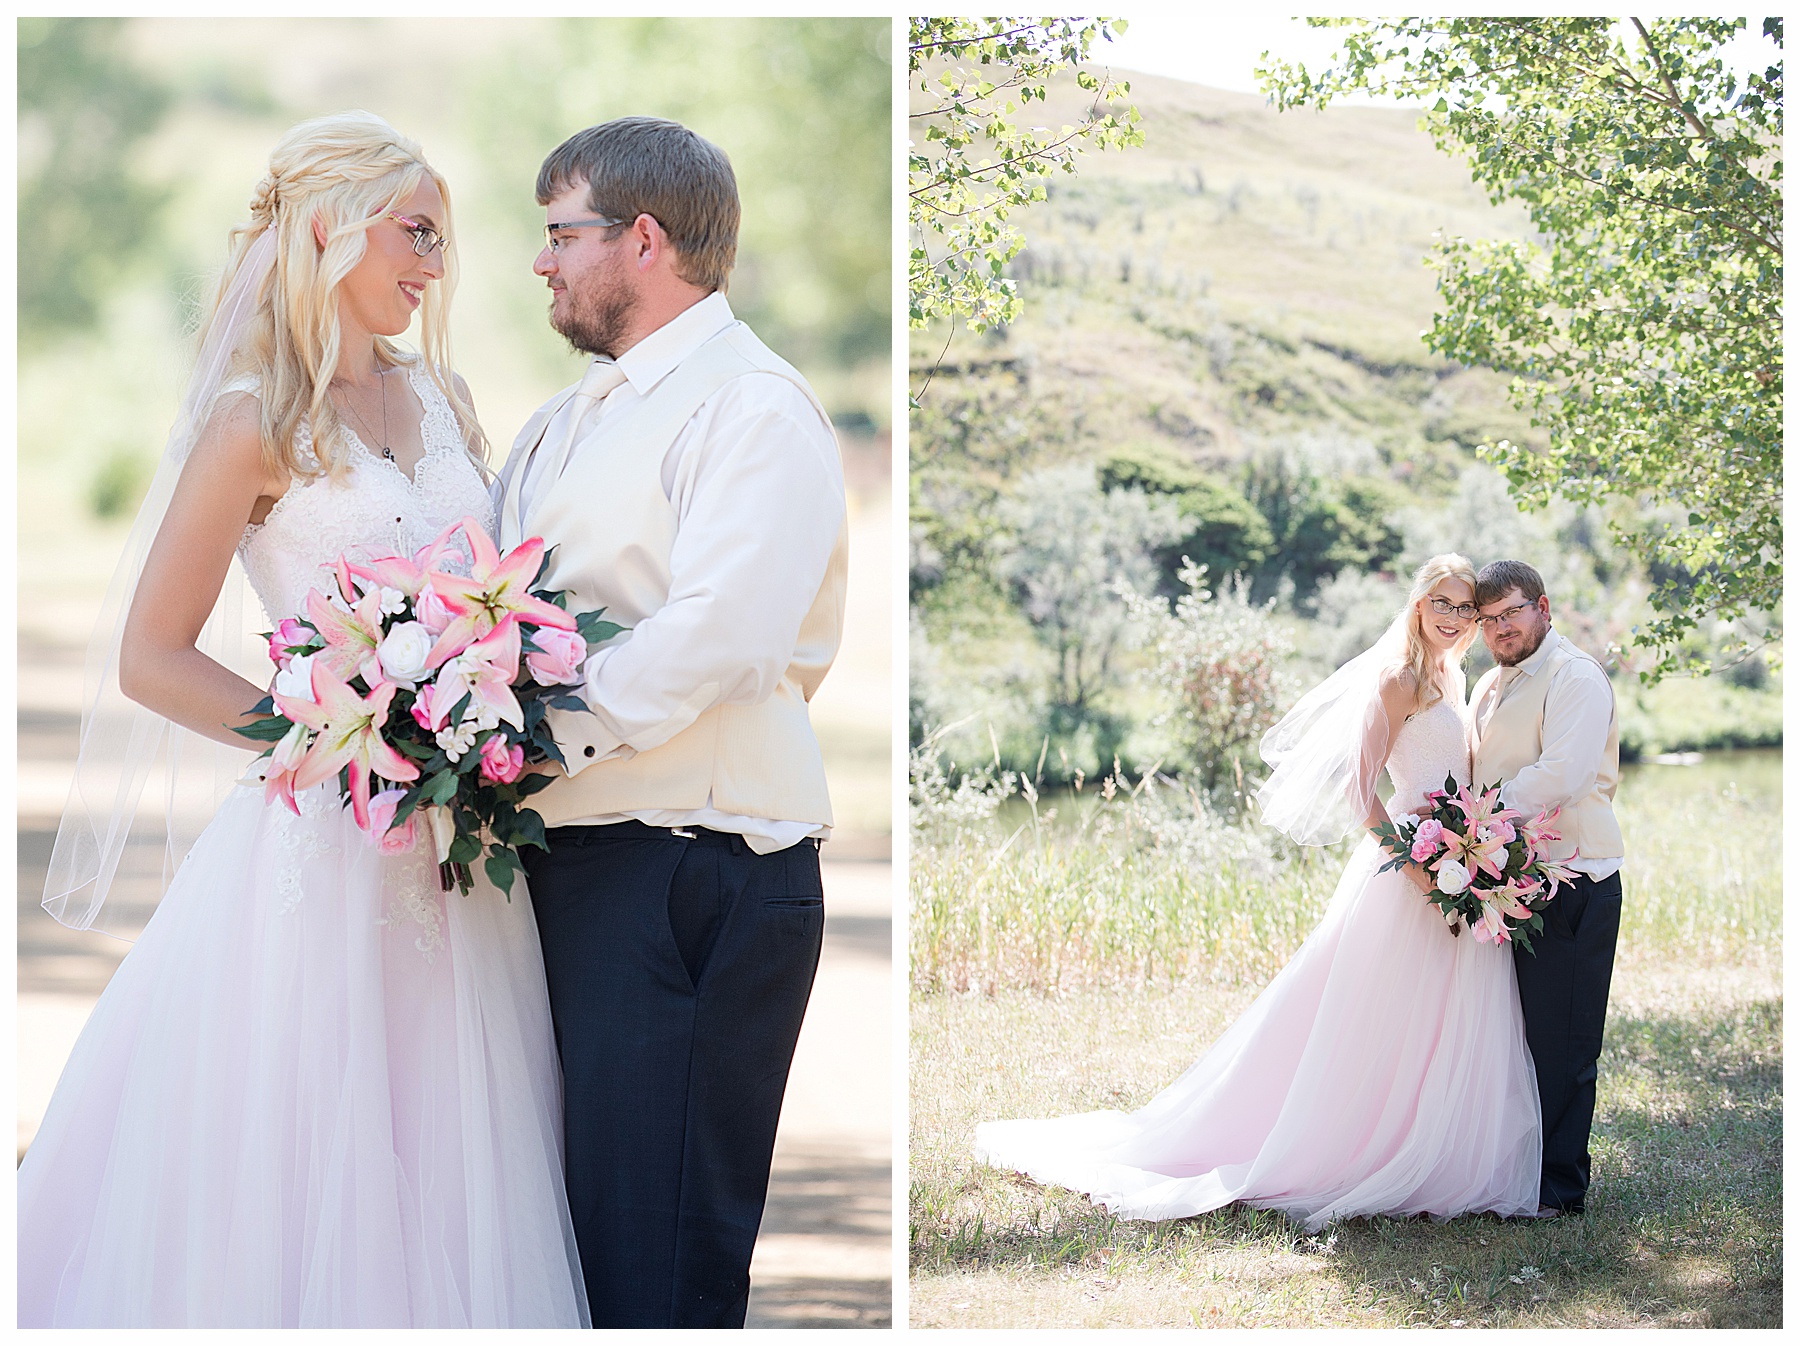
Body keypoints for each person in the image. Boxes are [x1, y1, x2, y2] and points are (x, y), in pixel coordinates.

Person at [21, 112, 587, 1328]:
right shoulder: (253, 419)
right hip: (313, 854)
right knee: (295, 1154)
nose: (437, 264)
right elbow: (151, 655)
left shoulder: (444, 397)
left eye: (444, 238)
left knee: (454, 1143)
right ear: (330, 228)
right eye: (416, 231)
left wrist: (475, 702)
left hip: (451, 857)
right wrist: (334, 739)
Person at [493, 116, 848, 1328]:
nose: (541, 261)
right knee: (570, 1240)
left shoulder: (754, 407)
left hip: (689, 872)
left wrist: (531, 739)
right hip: (568, 864)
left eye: (561, 233)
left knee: (657, 1265)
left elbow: (724, 634)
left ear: (643, 239)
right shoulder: (565, 416)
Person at [975, 555, 1542, 1230]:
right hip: (1409, 875)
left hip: (1459, 869)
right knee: (1370, 1020)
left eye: (1464, 609)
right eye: (1442, 603)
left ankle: (1436, 1148)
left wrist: (1469, 849)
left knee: (1444, 1020)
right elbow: (1360, 794)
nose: (1453, 619)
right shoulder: (1397, 679)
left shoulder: (1454, 676)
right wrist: (1417, 865)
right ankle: (1350, 1147)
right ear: (1418, 605)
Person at [1471, 559, 1623, 1217]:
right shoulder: (1488, 686)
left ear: (1544, 607)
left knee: (1564, 1044)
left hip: (1572, 880)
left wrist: (1472, 818)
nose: (1502, 629)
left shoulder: (1575, 677)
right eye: (1489, 619)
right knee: (1513, 1038)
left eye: (1512, 612)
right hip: (1507, 883)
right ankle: (1511, 1173)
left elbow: (1560, 775)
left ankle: (1559, 1191)